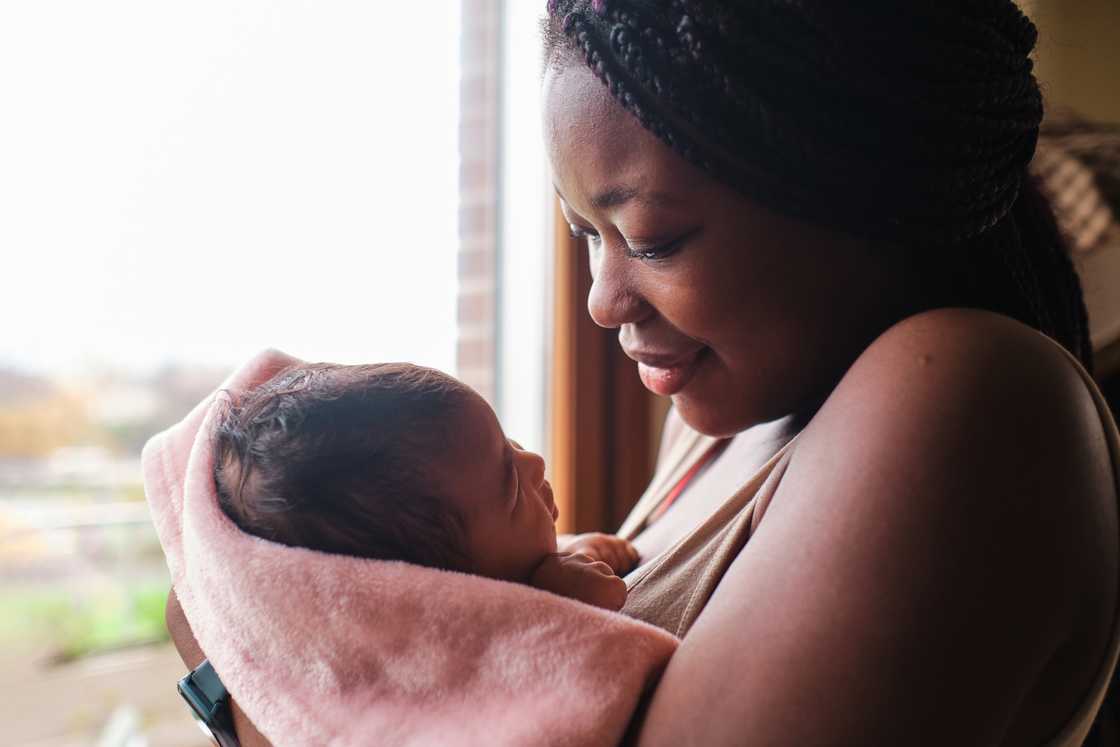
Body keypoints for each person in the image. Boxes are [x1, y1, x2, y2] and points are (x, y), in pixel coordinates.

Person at [168, 1, 1120, 744]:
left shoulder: (969, 402)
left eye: (652, 238)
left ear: (865, 189)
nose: (601, 301)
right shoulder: (720, 423)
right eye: (584, 234)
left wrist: (235, 666)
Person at [210, 360, 635, 609]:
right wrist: (564, 604)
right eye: (512, 490)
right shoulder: (473, 641)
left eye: (509, 442)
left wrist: (568, 552)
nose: (536, 463)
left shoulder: (494, 559)